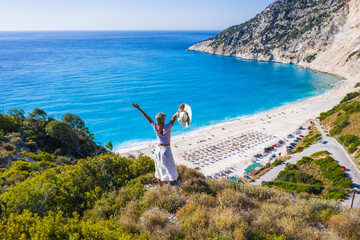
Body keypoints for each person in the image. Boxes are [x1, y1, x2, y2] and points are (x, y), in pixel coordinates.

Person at [132, 103, 184, 186]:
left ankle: (160, 186)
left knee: (158, 168)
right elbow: (174, 117)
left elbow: (147, 117)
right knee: (169, 168)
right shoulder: (167, 127)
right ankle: (169, 185)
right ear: (164, 120)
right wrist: (180, 109)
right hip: (166, 150)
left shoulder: (154, 126)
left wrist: (139, 108)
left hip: (157, 150)